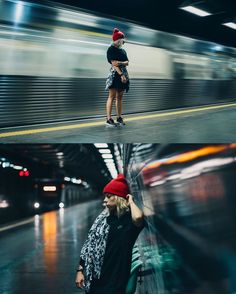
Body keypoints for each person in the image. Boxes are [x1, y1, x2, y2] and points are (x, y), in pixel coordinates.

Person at [75, 174, 144, 294]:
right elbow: (89, 245)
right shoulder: (103, 219)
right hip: (96, 279)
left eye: (108, 196)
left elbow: (138, 218)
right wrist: (80, 271)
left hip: (114, 280)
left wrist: (131, 201)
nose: (105, 200)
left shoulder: (128, 222)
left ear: (118, 198)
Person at [105, 28, 130, 127]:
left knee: (119, 97)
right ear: (118, 40)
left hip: (123, 74)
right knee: (111, 97)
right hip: (115, 75)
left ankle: (119, 117)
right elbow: (113, 64)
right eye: (122, 40)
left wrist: (120, 62)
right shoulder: (110, 49)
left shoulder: (123, 51)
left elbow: (127, 62)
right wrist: (121, 75)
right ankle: (109, 118)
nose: (123, 42)